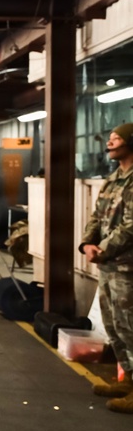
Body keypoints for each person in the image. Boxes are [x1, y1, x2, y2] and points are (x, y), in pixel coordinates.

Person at [80, 122, 133, 414]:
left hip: (127, 266)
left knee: (131, 326)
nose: (110, 143)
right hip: (109, 266)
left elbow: (131, 226)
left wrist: (103, 249)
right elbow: (97, 216)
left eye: (116, 139)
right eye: (110, 139)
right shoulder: (114, 180)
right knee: (114, 326)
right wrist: (88, 242)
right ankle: (128, 379)